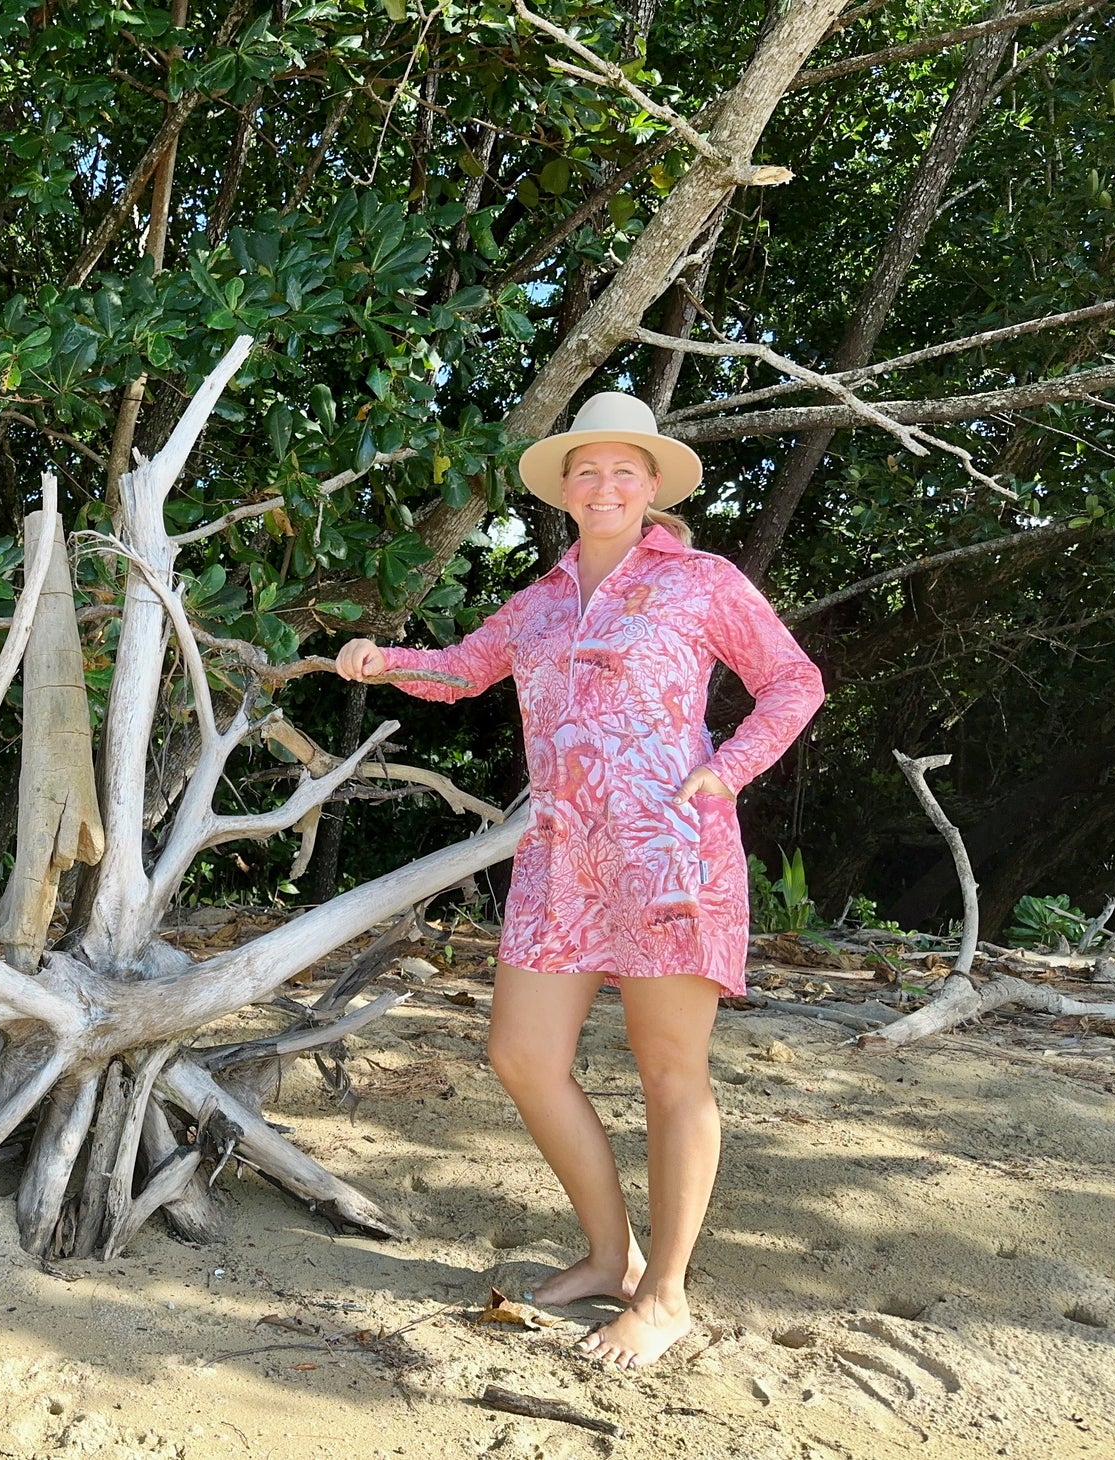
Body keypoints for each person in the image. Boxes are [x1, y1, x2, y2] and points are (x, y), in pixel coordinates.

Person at [337, 391, 824, 1369]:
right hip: (559, 855)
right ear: (564, 488)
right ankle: (610, 1252)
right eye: (586, 471)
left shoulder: (701, 580)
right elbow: (464, 668)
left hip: (668, 854)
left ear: (650, 485)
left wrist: (724, 768)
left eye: (623, 470)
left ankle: (666, 1293)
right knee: (520, 1052)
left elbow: (794, 681)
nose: (604, 485)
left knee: (668, 1070)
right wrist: (385, 661)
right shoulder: (541, 599)